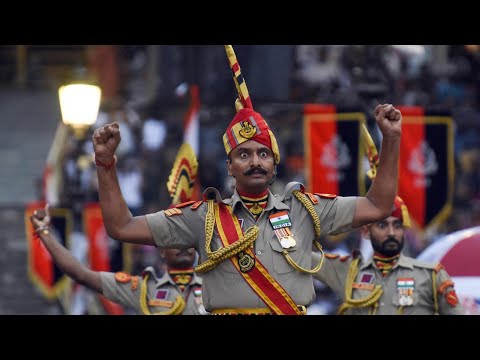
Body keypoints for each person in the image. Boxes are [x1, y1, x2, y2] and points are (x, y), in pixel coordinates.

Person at [91, 45, 402, 315]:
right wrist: (105, 165)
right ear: (230, 166)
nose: (255, 161)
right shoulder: (204, 217)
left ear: (274, 163)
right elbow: (122, 226)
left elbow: (379, 204)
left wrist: (391, 140)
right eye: (244, 155)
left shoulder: (306, 210)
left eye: (263, 154)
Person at [29, 205, 207, 315]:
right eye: (174, 241)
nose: (183, 247)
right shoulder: (143, 289)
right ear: (161, 251)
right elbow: (80, 274)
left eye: (188, 241)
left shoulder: (213, 286)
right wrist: (44, 232)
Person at [312, 196, 465, 315]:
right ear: (366, 231)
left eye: (397, 226)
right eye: (382, 225)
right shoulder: (347, 270)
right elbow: (298, 256)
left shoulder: (431, 276)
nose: (391, 233)